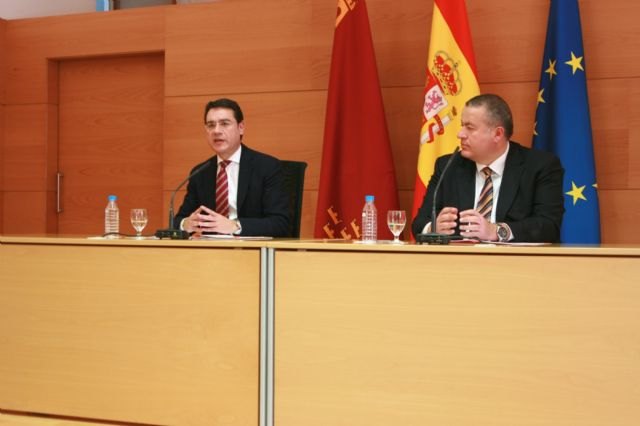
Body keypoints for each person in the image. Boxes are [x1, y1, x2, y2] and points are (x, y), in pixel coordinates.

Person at [412, 93, 565, 243]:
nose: (460, 134)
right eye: (462, 126)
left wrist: (496, 231)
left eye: (470, 128)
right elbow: (419, 223)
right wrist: (433, 227)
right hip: (458, 263)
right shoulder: (448, 166)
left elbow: (549, 226)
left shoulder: (540, 166)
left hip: (517, 264)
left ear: (498, 134)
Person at [174, 98, 290, 237]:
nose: (216, 131)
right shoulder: (200, 172)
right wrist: (185, 224)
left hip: (253, 253)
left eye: (224, 124)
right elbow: (177, 221)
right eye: (211, 125)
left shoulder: (267, 167)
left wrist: (235, 226)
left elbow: (280, 223)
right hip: (210, 252)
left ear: (241, 127)